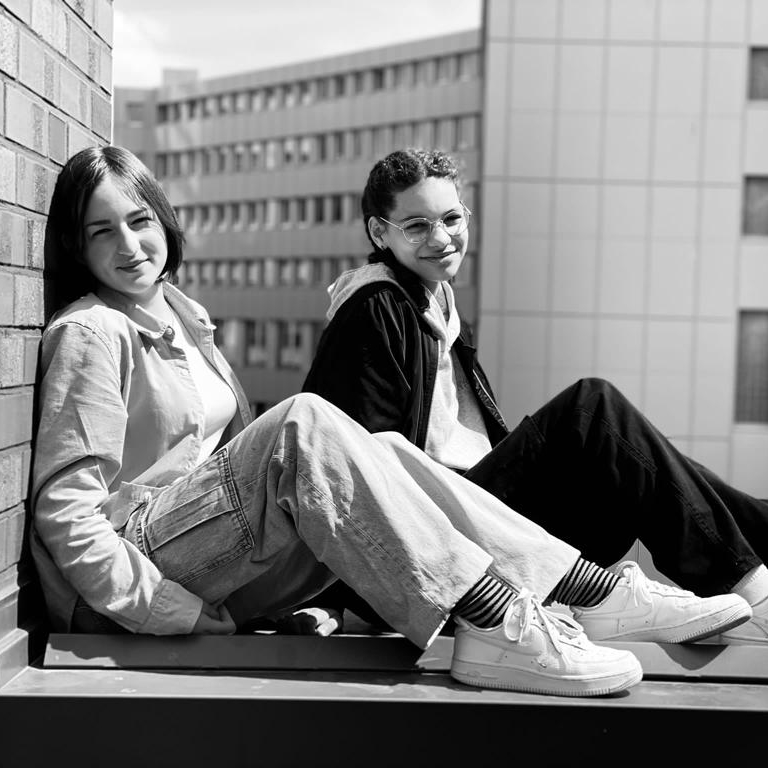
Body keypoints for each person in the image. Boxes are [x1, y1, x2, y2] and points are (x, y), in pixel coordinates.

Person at [29, 146, 745, 702]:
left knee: (386, 449)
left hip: (217, 557)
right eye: (102, 232)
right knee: (303, 423)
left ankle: (583, 592)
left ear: (163, 220)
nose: (129, 245)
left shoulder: (185, 318)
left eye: (140, 220)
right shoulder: (93, 332)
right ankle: (498, 620)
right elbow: (67, 516)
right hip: (148, 571)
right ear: (76, 246)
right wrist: (168, 613)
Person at [303, 147, 768, 646]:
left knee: (636, 457)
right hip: (443, 543)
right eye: (416, 226)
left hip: (482, 527)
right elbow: (346, 468)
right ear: (380, 233)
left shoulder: (437, 304)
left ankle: (757, 556)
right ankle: (755, 599)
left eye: (452, 219)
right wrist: (339, 600)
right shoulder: (375, 308)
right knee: (592, 411)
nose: (440, 239)